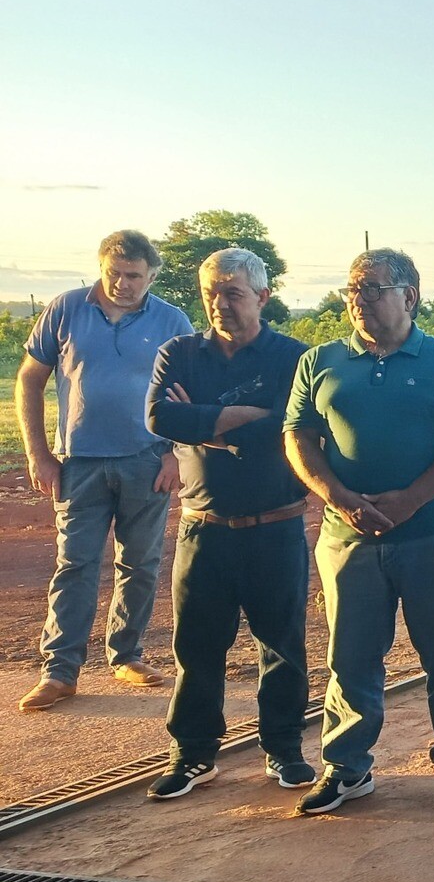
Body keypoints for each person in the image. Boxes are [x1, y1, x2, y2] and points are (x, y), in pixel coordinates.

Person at [283, 248, 434, 815]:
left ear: (409, 296)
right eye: (352, 288)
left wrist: (410, 501)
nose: (358, 299)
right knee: (349, 657)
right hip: (347, 539)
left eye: (372, 288)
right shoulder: (320, 361)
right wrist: (340, 499)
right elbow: (297, 437)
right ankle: (347, 767)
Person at [143, 248, 314, 797]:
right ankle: (193, 755)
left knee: (283, 646)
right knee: (196, 646)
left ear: (263, 297)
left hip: (276, 525)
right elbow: (159, 417)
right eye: (211, 292)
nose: (220, 304)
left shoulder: (293, 357)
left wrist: (205, 422)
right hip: (204, 528)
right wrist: (249, 417)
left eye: (233, 293)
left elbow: (298, 427)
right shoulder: (180, 352)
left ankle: (284, 751)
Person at [16, 230, 191, 710]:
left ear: (151, 276)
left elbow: (187, 392)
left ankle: (126, 655)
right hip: (79, 461)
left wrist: (176, 453)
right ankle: (60, 670)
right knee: (75, 564)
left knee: (140, 563)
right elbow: (29, 381)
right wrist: (38, 454)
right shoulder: (66, 309)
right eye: (114, 273)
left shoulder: (171, 319)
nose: (123, 284)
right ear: (101, 267)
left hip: (147, 461)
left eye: (134, 276)